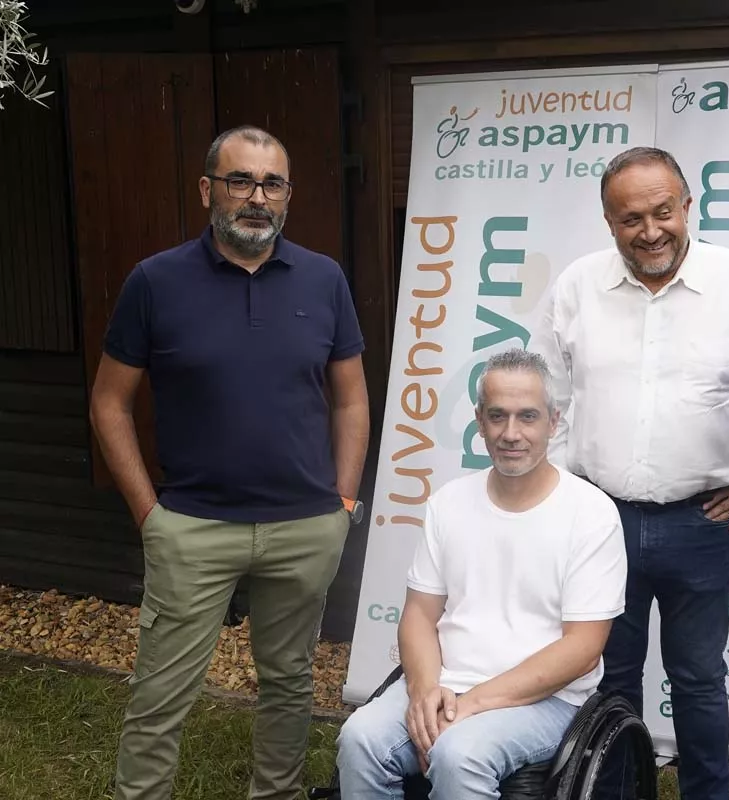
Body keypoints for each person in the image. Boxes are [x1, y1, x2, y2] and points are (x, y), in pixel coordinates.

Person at [89, 125, 371, 800]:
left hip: (305, 525)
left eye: (272, 184)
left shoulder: (323, 278)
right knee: (161, 694)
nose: (257, 198)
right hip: (193, 526)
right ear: (208, 188)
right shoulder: (155, 282)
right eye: (240, 180)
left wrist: (343, 504)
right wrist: (149, 516)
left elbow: (351, 400)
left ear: (288, 196)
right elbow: (108, 404)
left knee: (288, 683)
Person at [529, 146, 729, 800]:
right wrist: (560, 493)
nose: (650, 230)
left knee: (698, 679)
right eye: (630, 218)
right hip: (599, 521)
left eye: (663, 211)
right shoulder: (578, 285)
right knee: (609, 679)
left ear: (688, 205)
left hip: (703, 522)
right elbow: (542, 395)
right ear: (608, 223)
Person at [336, 348, 627, 799]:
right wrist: (426, 692)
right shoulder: (449, 503)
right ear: (479, 420)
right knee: (360, 739)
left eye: (527, 417)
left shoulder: (591, 514)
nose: (511, 433)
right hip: (448, 681)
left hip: (549, 700)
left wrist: (470, 705)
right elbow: (417, 615)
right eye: (498, 416)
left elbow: (584, 649)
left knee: (458, 752)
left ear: (554, 420)